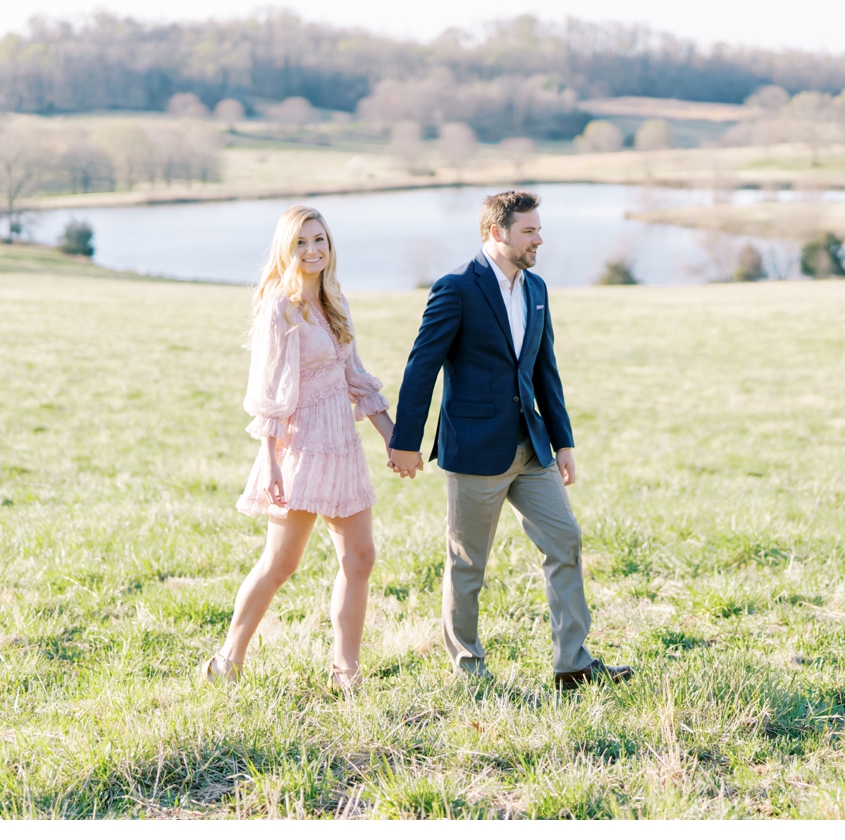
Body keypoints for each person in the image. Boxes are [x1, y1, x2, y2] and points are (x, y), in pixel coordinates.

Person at [387, 190, 633, 690]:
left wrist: (563, 440)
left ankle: (573, 664)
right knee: (468, 563)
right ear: (496, 233)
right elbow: (422, 366)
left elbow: (546, 369)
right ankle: (469, 670)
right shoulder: (456, 287)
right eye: (529, 231)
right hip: (475, 450)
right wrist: (405, 442)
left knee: (564, 540)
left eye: (539, 230)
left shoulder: (536, 287)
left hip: (532, 448)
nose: (539, 239)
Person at [204, 205, 393, 691]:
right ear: (286, 250)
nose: (312, 251)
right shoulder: (279, 309)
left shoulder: (335, 301)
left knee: (360, 557)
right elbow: (267, 393)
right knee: (281, 563)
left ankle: (345, 671)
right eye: (301, 243)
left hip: (342, 446)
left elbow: (356, 378)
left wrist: (393, 438)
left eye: (320, 241)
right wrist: (269, 462)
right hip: (300, 447)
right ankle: (227, 661)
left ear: (330, 246)